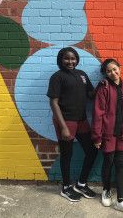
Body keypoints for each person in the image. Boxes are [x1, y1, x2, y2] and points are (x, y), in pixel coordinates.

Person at [47, 47, 98, 202]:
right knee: (67, 155)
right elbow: (53, 102)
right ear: (61, 60)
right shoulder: (57, 77)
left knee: (92, 150)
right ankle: (66, 187)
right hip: (66, 121)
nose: (70, 61)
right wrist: (63, 127)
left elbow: (91, 94)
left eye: (73, 58)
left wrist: (104, 86)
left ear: (77, 59)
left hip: (81, 120)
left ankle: (81, 184)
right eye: (67, 59)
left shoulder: (82, 74)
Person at [91, 58, 123, 215]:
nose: (113, 73)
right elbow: (98, 113)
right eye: (108, 71)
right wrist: (97, 136)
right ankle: (106, 190)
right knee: (108, 162)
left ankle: (121, 200)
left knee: (121, 164)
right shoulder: (103, 89)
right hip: (108, 135)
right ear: (105, 73)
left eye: (114, 69)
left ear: (119, 68)